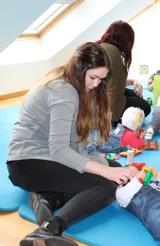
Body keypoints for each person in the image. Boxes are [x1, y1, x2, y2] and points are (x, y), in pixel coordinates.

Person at [6, 42, 135, 246]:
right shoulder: (64, 93)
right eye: (93, 77)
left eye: (100, 80)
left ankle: (50, 199)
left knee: (115, 170)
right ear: (79, 67)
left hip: (41, 158)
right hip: (27, 164)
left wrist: (106, 166)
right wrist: (104, 171)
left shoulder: (68, 81)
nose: (95, 85)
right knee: (107, 184)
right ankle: (48, 230)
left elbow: (75, 145)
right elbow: (59, 151)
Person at [96, 20, 151, 126]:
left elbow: (112, 79)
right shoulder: (112, 51)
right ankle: (118, 119)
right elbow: (110, 88)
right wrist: (108, 121)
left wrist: (133, 81)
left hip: (104, 95)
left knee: (137, 96)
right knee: (145, 107)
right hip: (105, 100)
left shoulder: (103, 46)